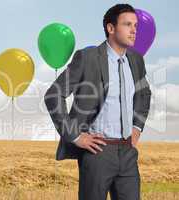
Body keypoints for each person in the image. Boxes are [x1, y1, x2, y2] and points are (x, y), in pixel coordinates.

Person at [44, 4, 152, 200]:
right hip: (97, 152)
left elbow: (144, 95)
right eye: (128, 24)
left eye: (135, 25)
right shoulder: (87, 58)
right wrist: (75, 136)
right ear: (111, 28)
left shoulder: (136, 60)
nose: (134, 30)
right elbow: (53, 95)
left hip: (128, 153)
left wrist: (137, 127)